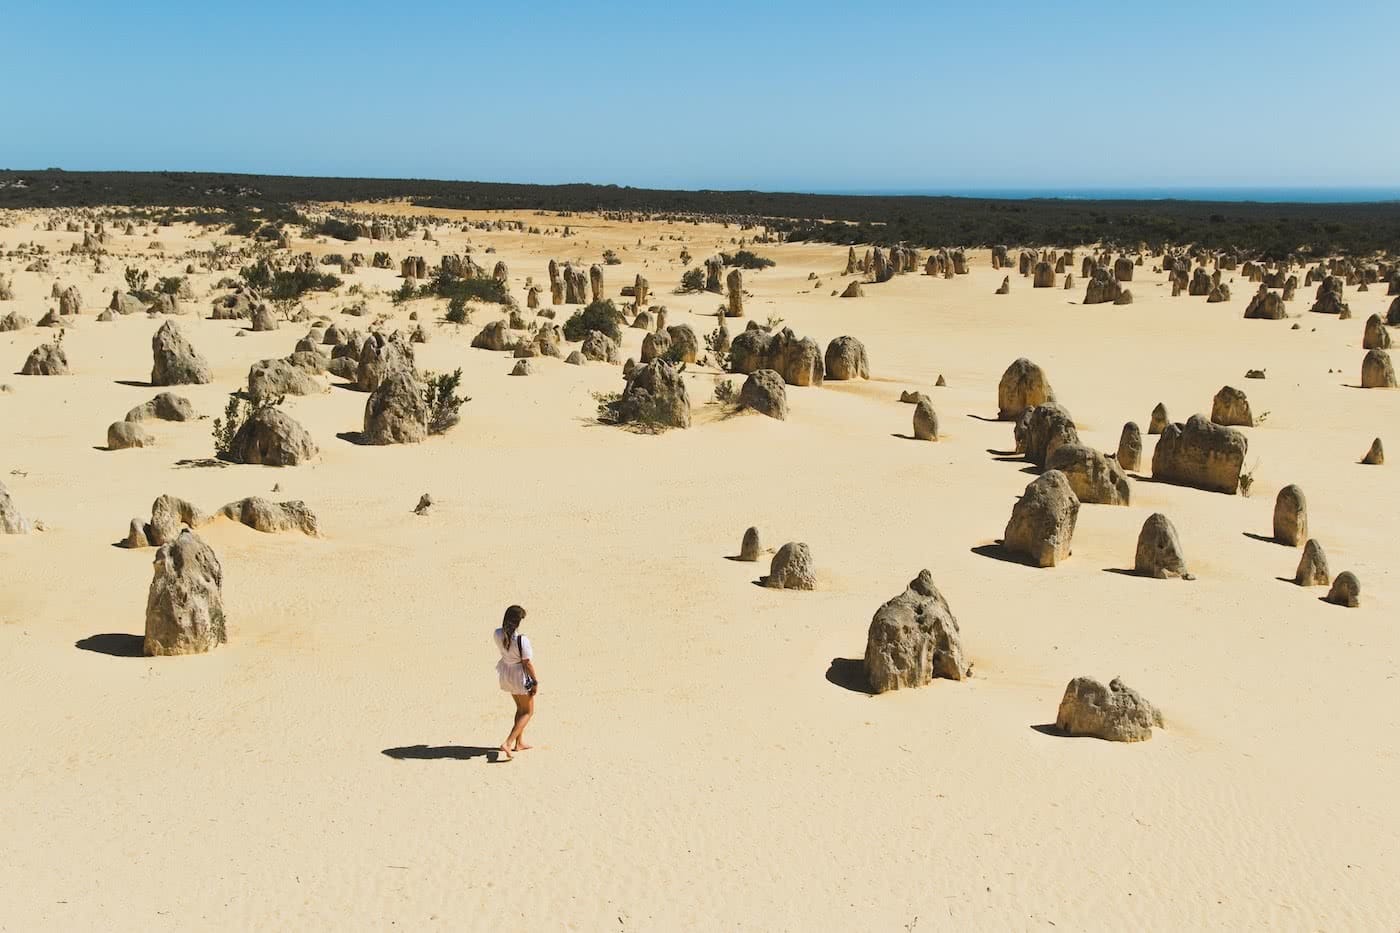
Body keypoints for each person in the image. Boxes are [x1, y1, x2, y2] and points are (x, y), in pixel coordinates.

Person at [494, 605, 538, 760]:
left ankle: (519, 742)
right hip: (520, 675)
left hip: (507, 673)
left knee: (520, 708)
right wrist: (535, 681)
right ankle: (509, 742)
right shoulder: (522, 640)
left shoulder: (498, 634)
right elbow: (527, 663)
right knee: (528, 711)